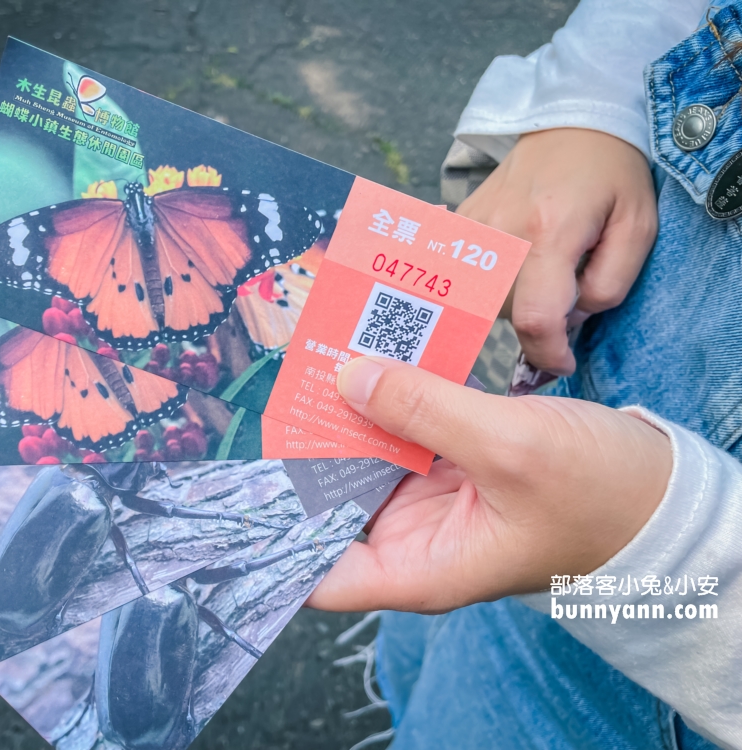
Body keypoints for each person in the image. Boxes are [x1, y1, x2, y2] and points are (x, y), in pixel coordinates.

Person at [308, 1, 742, 747]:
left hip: (672, 663)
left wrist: (668, 544)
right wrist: (599, 105)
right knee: (435, 666)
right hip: (556, 415)